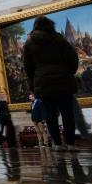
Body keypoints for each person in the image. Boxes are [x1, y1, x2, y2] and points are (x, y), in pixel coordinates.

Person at [22, 15, 79, 150]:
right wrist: (69, 72)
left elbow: (28, 68)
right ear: (50, 25)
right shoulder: (58, 39)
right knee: (67, 113)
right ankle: (70, 144)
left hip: (43, 84)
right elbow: (72, 58)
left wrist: (33, 84)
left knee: (50, 115)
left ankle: (58, 145)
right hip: (63, 81)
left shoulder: (29, 43)